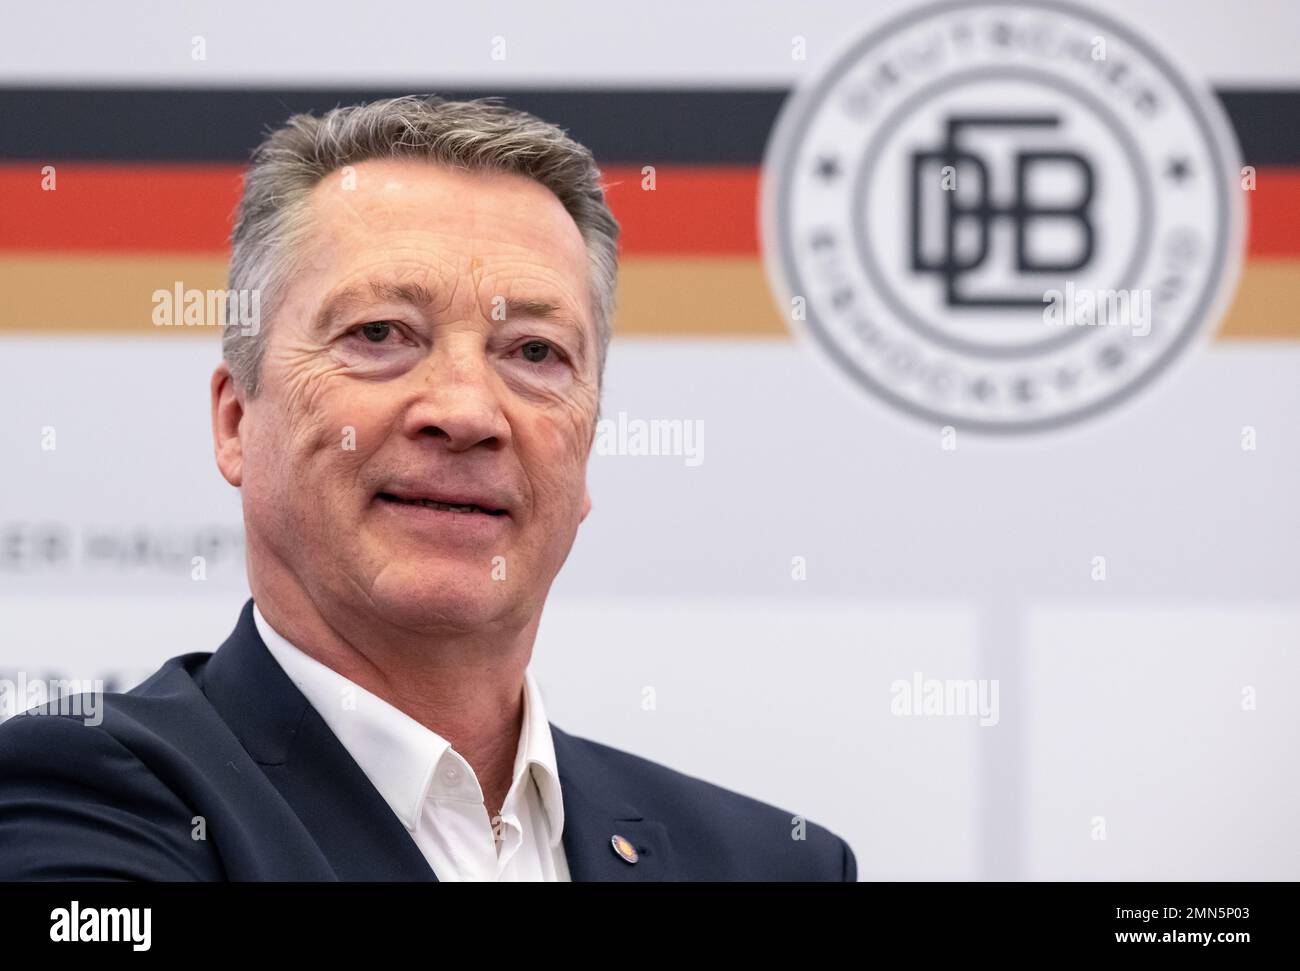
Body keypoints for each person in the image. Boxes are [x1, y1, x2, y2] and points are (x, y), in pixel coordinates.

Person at [0, 95, 856, 881]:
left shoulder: (772, 863)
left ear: (587, 449)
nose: (466, 411)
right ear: (236, 422)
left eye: (533, 352)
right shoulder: (88, 797)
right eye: (380, 333)